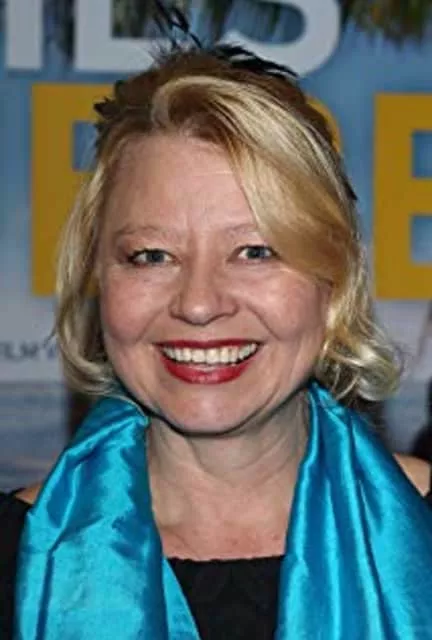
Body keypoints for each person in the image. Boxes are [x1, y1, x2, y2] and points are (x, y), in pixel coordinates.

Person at [1, 35, 432, 640]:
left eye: (255, 251)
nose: (199, 304)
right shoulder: (18, 559)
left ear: (334, 282)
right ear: (99, 277)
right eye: (152, 255)